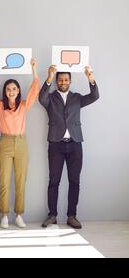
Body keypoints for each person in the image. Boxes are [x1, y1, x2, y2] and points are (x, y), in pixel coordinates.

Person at [39, 65, 99, 229]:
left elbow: (95, 96)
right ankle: (52, 215)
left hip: (75, 144)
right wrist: (49, 77)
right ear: (57, 81)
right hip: (56, 145)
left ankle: (72, 216)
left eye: (66, 79)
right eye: (60, 79)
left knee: (74, 181)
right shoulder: (50, 98)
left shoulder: (77, 98)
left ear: (70, 81)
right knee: (54, 181)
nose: (63, 82)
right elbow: (41, 98)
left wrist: (90, 78)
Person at [0, 58, 40, 229]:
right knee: (4, 181)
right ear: (5, 91)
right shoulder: (0, 106)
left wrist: (34, 68)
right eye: (8, 89)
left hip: (22, 143)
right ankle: (4, 215)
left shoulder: (24, 105)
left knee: (20, 181)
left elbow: (35, 89)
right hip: (6, 143)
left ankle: (19, 214)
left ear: (18, 90)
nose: (11, 91)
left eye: (14, 89)